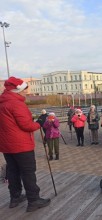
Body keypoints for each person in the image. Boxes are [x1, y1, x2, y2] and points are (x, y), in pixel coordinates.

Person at [0, 77, 50, 212]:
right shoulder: (16, 103)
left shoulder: (3, 101)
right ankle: (33, 201)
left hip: (6, 145)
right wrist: (39, 123)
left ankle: (15, 197)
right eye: (24, 90)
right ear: (17, 90)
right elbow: (26, 126)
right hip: (21, 145)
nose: (26, 93)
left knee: (12, 171)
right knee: (28, 172)